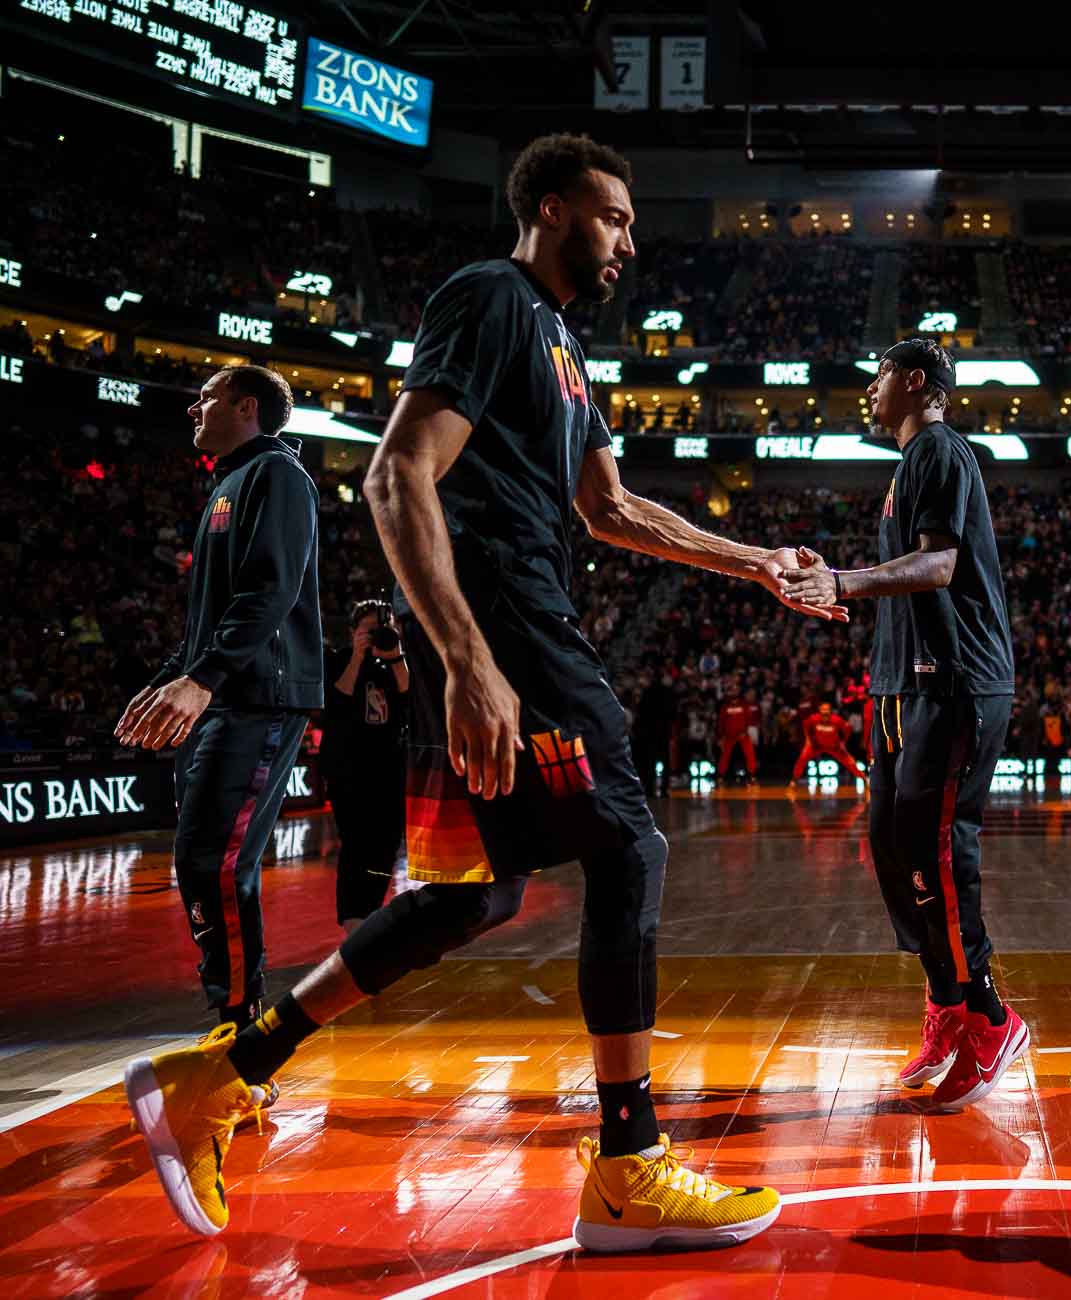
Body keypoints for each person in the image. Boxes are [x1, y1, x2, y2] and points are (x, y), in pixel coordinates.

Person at [122, 132, 842, 1249]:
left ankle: (223, 1069)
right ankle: (628, 1163)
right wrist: (468, 659)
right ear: (550, 208)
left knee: (476, 896)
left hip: (512, 622)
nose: (630, 243)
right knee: (630, 848)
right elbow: (395, 471)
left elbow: (611, 510)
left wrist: (758, 563)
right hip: (504, 624)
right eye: (613, 218)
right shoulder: (493, 296)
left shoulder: (564, 349)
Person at [782, 337, 1029, 1110]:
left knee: (941, 856)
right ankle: (947, 1004)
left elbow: (939, 566)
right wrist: (839, 588)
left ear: (914, 381)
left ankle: (990, 1018)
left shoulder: (940, 451)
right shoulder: (908, 463)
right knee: (892, 847)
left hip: (954, 685)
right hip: (900, 685)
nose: (871, 388)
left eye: (880, 374)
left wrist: (844, 581)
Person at [114, 364, 322, 1034]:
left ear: (246, 406)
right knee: (201, 860)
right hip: (224, 692)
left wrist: (202, 678)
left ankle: (241, 1036)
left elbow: (269, 592)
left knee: (219, 863)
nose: (192, 409)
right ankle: (233, 1021)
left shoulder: (278, 476)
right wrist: (170, 680)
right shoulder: (226, 485)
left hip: (257, 696)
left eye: (206, 397)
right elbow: (215, 617)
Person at [320, 599, 410, 934]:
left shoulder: (396, 664)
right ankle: (352, 917)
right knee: (357, 842)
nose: (376, 637)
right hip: (348, 769)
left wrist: (396, 656)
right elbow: (337, 699)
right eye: (368, 631)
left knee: (386, 843)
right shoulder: (339, 660)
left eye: (381, 630)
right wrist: (358, 656)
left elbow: (410, 696)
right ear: (353, 632)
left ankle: (370, 911)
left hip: (389, 768)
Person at [793, 700, 865, 781]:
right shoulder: (813, 719)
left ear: (830, 711)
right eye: (823, 709)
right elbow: (805, 725)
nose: (825, 712)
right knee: (802, 758)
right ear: (819, 710)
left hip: (834, 746)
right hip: (817, 746)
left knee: (850, 762)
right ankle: (793, 782)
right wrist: (808, 740)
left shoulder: (836, 720)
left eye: (827, 710)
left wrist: (843, 742)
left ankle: (864, 780)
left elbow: (848, 729)